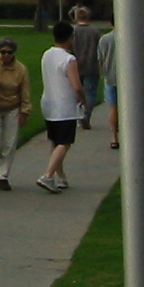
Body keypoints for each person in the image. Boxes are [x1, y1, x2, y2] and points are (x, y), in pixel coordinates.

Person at [36, 21, 87, 193]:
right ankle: (48, 175)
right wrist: (84, 100)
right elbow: (77, 86)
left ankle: (61, 177)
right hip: (64, 105)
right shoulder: (69, 59)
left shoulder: (47, 54)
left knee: (55, 140)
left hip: (48, 103)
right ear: (70, 38)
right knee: (64, 142)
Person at [0, 37, 31, 191]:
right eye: (3, 52)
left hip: (12, 108)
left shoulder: (21, 70)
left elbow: (25, 92)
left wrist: (25, 112)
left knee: (9, 144)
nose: (6, 55)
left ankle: (3, 176)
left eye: (9, 52)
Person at [70, 7, 102, 129]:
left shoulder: (73, 31)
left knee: (76, 92)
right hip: (92, 65)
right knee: (90, 92)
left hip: (75, 66)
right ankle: (86, 114)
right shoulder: (95, 32)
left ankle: (78, 114)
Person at [97, 26, 120, 149]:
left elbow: (100, 59)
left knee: (113, 108)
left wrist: (103, 74)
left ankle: (114, 137)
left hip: (110, 76)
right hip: (128, 79)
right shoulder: (132, 37)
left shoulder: (105, 39)